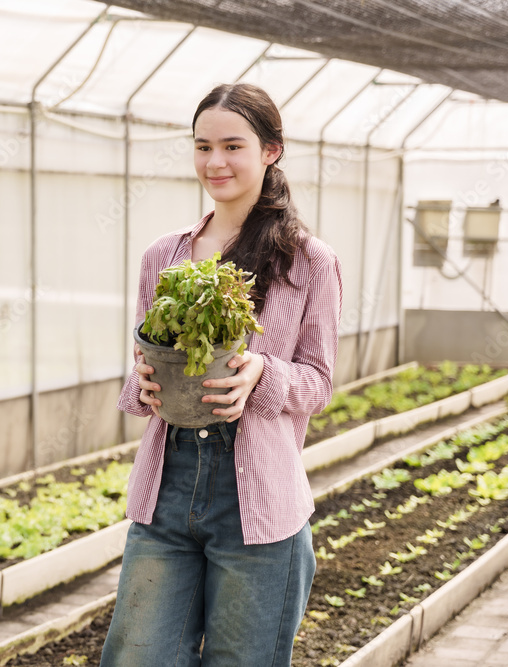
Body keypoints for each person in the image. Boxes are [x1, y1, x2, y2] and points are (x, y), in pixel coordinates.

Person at [99, 83, 343, 667]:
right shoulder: (166, 256)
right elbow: (143, 356)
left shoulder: (307, 262)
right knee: (138, 658)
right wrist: (146, 385)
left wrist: (262, 373)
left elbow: (320, 382)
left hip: (258, 502)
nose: (215, 162)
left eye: (233, 146)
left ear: (271, 151)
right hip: (168, 492)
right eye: (203, 146)